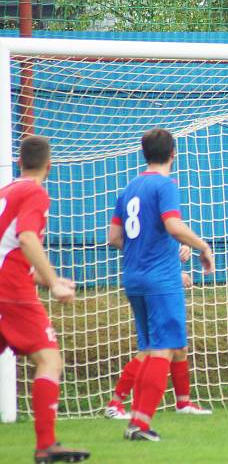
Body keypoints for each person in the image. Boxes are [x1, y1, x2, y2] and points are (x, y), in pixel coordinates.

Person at [110, 128, 215, 442]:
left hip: (133, 277)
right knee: (165, 349)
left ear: (144, 154)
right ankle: (140, 425)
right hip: (160, 279)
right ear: (173, 154)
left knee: (150, 348)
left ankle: (136, 419)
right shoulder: (165, 185)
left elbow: (115, 238)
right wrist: (203, 247)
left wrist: (142, 246)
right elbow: (173, 224)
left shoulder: (130, 188)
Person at [0, 136, 90, 463]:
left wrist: (43, 276)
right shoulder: (35, 193)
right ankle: (46, 445)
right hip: (11, 292)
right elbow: (25, 239)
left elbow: (7, 248)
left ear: (20, 162)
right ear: (49, 166)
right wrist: (52, 283)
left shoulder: (6, 191)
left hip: (8, 284)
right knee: (50, 361)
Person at [104, 245, 211, 419]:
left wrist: (182, 246)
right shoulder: (157, 219)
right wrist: (174, 273)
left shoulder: (164, 225)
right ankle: (116, 404)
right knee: (153, 349)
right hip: (159, 288)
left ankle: (183, 403)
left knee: (179, 346)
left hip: (158, 285)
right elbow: (143, 248)